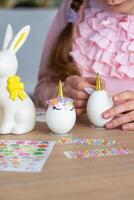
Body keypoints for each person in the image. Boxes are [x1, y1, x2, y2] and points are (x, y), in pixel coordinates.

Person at [34, 0, 134, 130]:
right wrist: (61, 93)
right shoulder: (74, 5)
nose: (112, 0)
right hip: (77, 144)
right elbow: (41, 89)